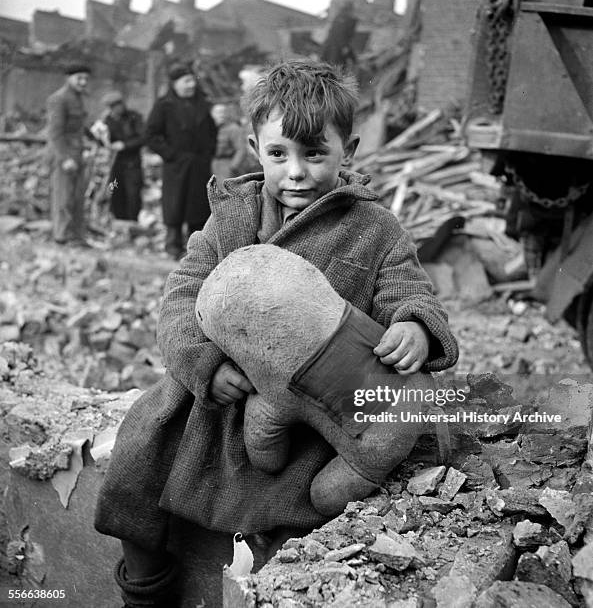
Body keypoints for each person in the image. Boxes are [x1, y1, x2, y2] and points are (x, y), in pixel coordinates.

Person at [95, 60, 459, 607]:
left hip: (309, 410)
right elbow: (181, 293)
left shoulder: (373, 229)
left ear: (349, 150)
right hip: (220, 398)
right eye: (278, 154)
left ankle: (272, 575)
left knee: (303, 504)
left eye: (316, 154)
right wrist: (203, 364)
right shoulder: (231, 217)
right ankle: (144, 587)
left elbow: (408, 289)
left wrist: (414, 327)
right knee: (142, 450)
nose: (296, 173)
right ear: (253, 148)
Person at [145, 62, 217, 260]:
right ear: (175, 84)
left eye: (192, 81)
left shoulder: (202, 103)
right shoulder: (164, 105)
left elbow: (211, 132)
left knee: (198, 207)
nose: (191, 85)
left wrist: (207, 153)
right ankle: (172, 246)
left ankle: (195, 249)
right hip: (176, 165)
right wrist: (171, 155)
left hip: (199, 164)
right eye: (186, 81)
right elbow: (151, 135)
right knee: (175, 205)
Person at [46, 62, 93, 246]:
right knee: (63, 196)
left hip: (78, 153)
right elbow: (55, 132)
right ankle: (61, 236)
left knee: (77, 197)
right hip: (63, 154)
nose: (83, 82)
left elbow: (79, 127)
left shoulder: (79, 98)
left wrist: (93, 136)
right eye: (79, 78)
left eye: (86, 79)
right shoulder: (59, 99)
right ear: (69, 78)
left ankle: (76, 236)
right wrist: (64, 158)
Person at [101, 91, 145, 222]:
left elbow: (143, 137)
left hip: (132, 166)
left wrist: (124, 145)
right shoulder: (107, 120)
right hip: (115, 167)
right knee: (114, 191)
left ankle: (132, 222)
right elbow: (103, 140)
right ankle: (118, 220)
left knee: (133, 194)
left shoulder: (134, 117)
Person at [210, 102, 249, 181]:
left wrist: (232, 167)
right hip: (210, 163)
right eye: (218, 112)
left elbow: (241, 150)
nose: (222, 115)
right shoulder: (208, 128)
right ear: (212, 114)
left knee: (223, 190)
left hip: (225, 163)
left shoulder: (233, 128)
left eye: (224, 112)